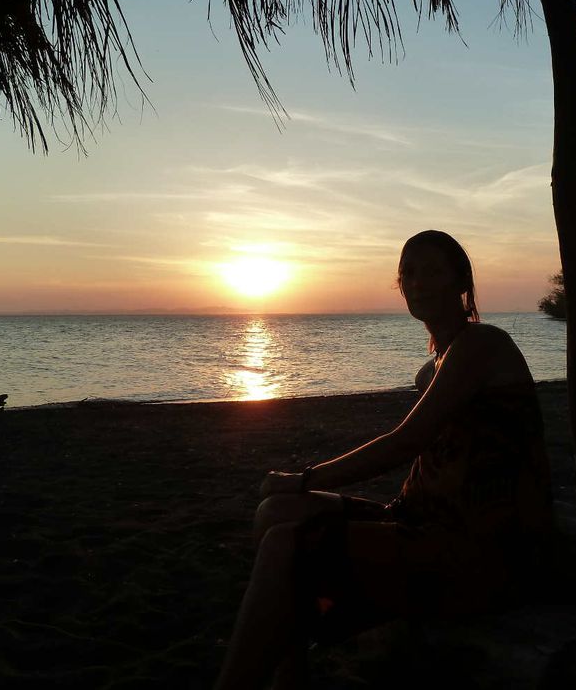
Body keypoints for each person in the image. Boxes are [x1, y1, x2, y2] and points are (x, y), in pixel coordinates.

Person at [214, 230, 553, 690]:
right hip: (420, 521)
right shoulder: (432, 367)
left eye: (432, 270)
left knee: (285, 545)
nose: (416, 281)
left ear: (461, 283)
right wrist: (300, 492)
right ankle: (289, 675)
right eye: (408, 272)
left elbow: (404, 443)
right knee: (277, 512)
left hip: (480, 550)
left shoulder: (483, 344)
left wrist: (304, 478)